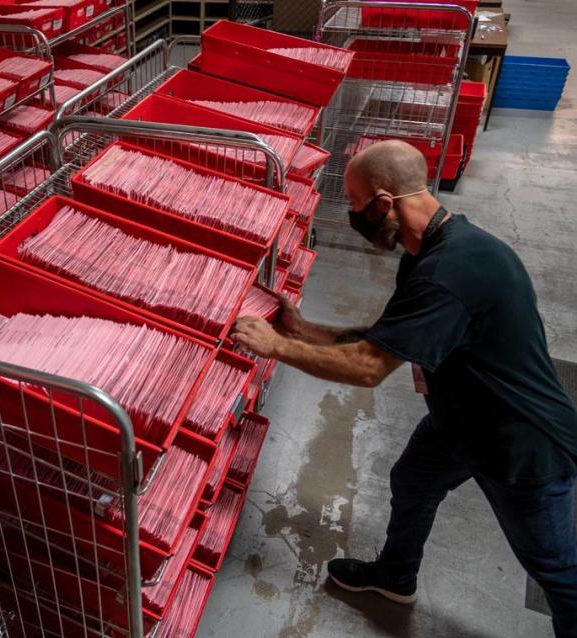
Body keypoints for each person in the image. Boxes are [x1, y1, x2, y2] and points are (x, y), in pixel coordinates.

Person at [231, 140, 577, 636]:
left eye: (353, 203)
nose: (352, 214)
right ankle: (395, 575)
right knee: (413, 481)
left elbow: (370, 367)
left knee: (556, 570)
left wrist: (276, 348)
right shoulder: (433, 250)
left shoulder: (447, 272)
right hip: (460, 418)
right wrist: (303, 330)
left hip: (519, 439)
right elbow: (387, 337)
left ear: (382, 200)